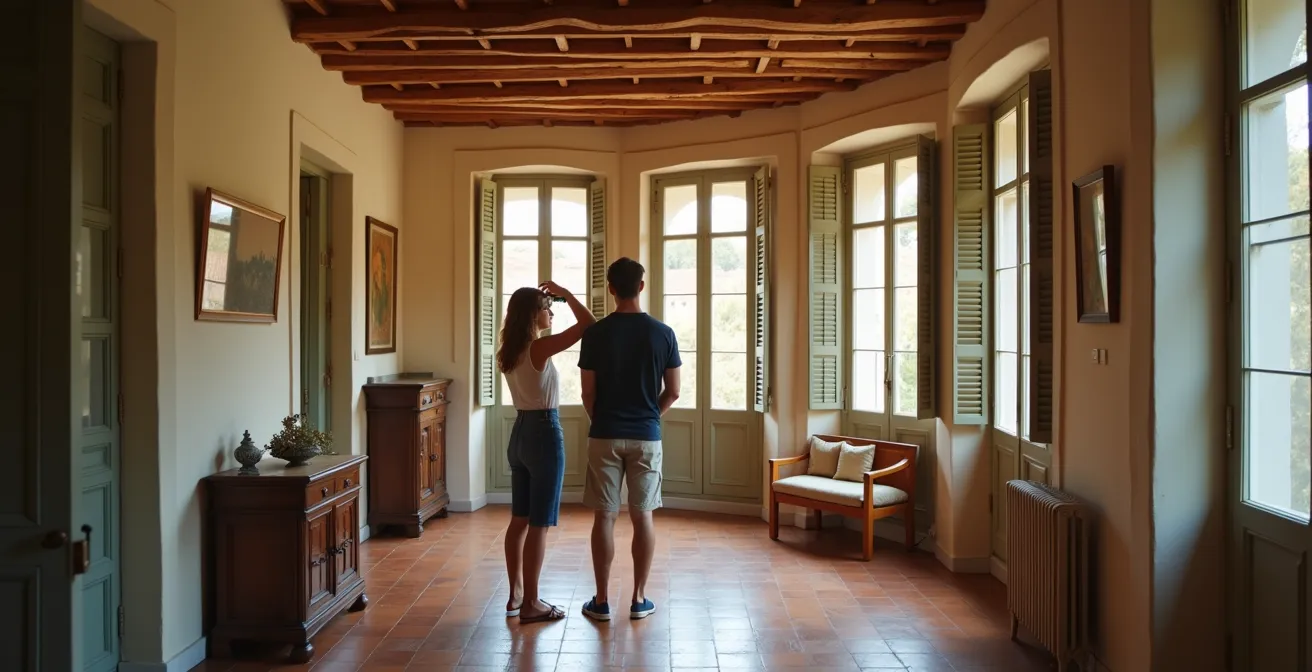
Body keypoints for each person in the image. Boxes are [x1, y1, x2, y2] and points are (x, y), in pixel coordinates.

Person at [578, 257, 681, 621]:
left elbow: (587, 393)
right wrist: (650, 417)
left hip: (604, 434)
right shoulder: (663, 333)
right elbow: (673, 391)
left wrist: (603, 420)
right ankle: (638, 599)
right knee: (643, 516)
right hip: (646, 437)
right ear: (641, 286)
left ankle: (602, 601)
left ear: (610, 288)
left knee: (604, 517)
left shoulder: (595, 334)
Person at [498, 280, 595, 623]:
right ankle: (532, 603)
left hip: (519, 434)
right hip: (543, 433)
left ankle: (516, 594)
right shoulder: (537, 349)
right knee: (539, 523)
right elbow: (588, 324)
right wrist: (566, 293)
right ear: (531, 315)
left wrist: (553, 298)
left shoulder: (509, 351)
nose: (551, 313)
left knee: (519, 520)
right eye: (546, 308)